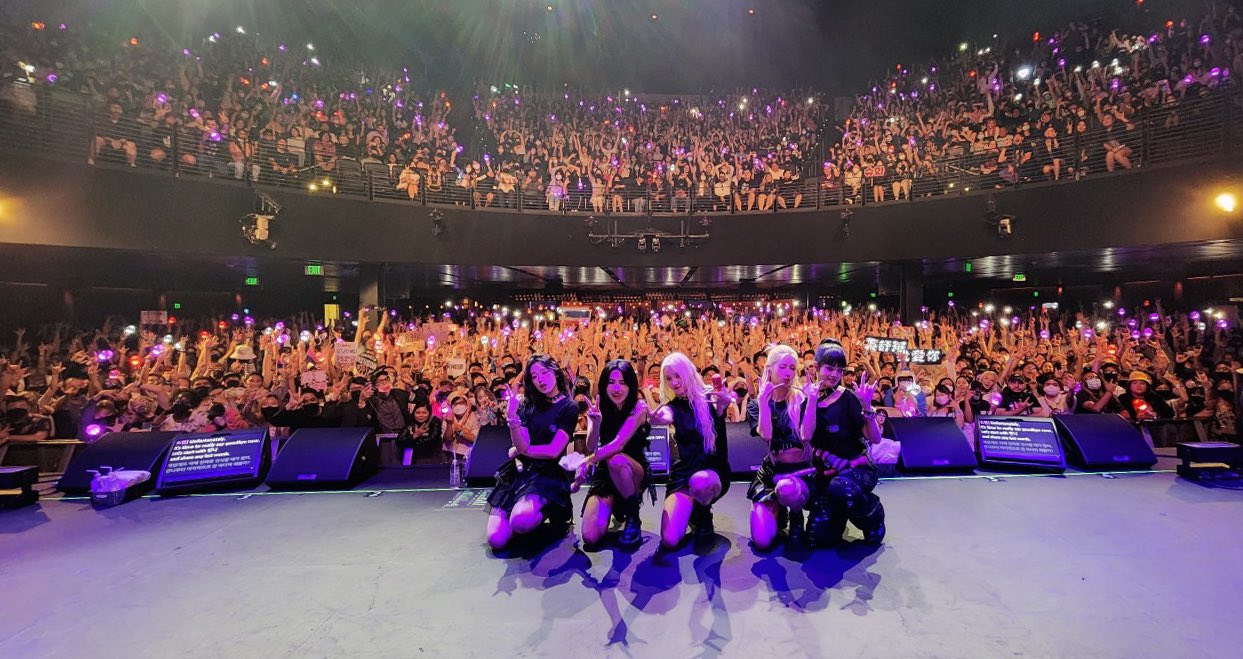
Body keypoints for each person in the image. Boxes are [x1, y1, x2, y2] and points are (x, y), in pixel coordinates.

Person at [486, 355, 577, 551]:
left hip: (548, 474)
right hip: (520, 471)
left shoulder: (569, 407)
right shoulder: (527, 405)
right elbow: (522, 443)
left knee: (520, 521)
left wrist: (522, 451)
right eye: (534, 376)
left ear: (555, 373)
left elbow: (553, 451)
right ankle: (517, 506)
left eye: (544, 372)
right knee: (496, 540)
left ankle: (550, 510)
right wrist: (512, 418)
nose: (540, 380)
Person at [800, 339, 886, 546]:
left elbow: (875, 438)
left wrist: (867, 407)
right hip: (827, 474)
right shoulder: (808, 399)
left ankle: (872, 512)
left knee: (842, 488)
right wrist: (811, 400)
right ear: (816, 367)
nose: (834, 374)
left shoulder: (848, 397)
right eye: (829, 368)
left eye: (839, 370)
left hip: (856, 469)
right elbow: (806, 436)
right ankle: (837, 515)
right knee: (818, 539)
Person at [650, 352, 730, 550]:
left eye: (677, 376)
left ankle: (703, 515)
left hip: (710, 471)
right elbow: (666, 414)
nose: (674, 382)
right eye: (669, 378)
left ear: (688, 373)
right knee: (670, 540)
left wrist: (724, 404)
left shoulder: (711, 398)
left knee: (700, 481)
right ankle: (693, 511)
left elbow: (722, 406)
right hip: (684, 473)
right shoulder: (673, 406)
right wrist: (657, 418)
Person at [580, 360, 653, 549]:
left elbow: (618, 444)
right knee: (590, 537)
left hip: (632, 470)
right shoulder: (598, 407)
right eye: (612, 382)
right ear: (604, 385)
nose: (617, 388)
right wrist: (595, 423)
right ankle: (615, 506)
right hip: (605, 473)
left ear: (631, 385)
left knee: (616, 460)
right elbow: (591, 445)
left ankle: (633, 516)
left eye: (623, 382)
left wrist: (589, 460)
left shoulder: (639, 408)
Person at [746, 345, 812, 551]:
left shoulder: (803, 398)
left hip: (803, 471)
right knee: (762, 540)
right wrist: (764, 402)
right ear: (769, 369)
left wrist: (812, 402)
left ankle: (796, 515)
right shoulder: (756, 404)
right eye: (782, 367)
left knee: (787, 488)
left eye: (792, 368)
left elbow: (807, 436)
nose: (788, 373)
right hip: (773, 471)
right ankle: (779, 510)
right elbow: (766, 435)